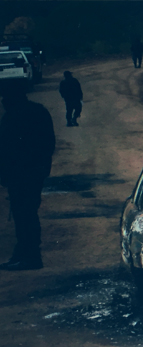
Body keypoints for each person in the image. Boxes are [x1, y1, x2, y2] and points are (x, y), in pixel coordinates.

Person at [0, 79, 55, 270]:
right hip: (28, 173)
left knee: (25, 215)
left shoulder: (17, 116)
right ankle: (23, 253)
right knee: (24, 214)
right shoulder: (35, 112)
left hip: (25, 174)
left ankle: (30, 255)